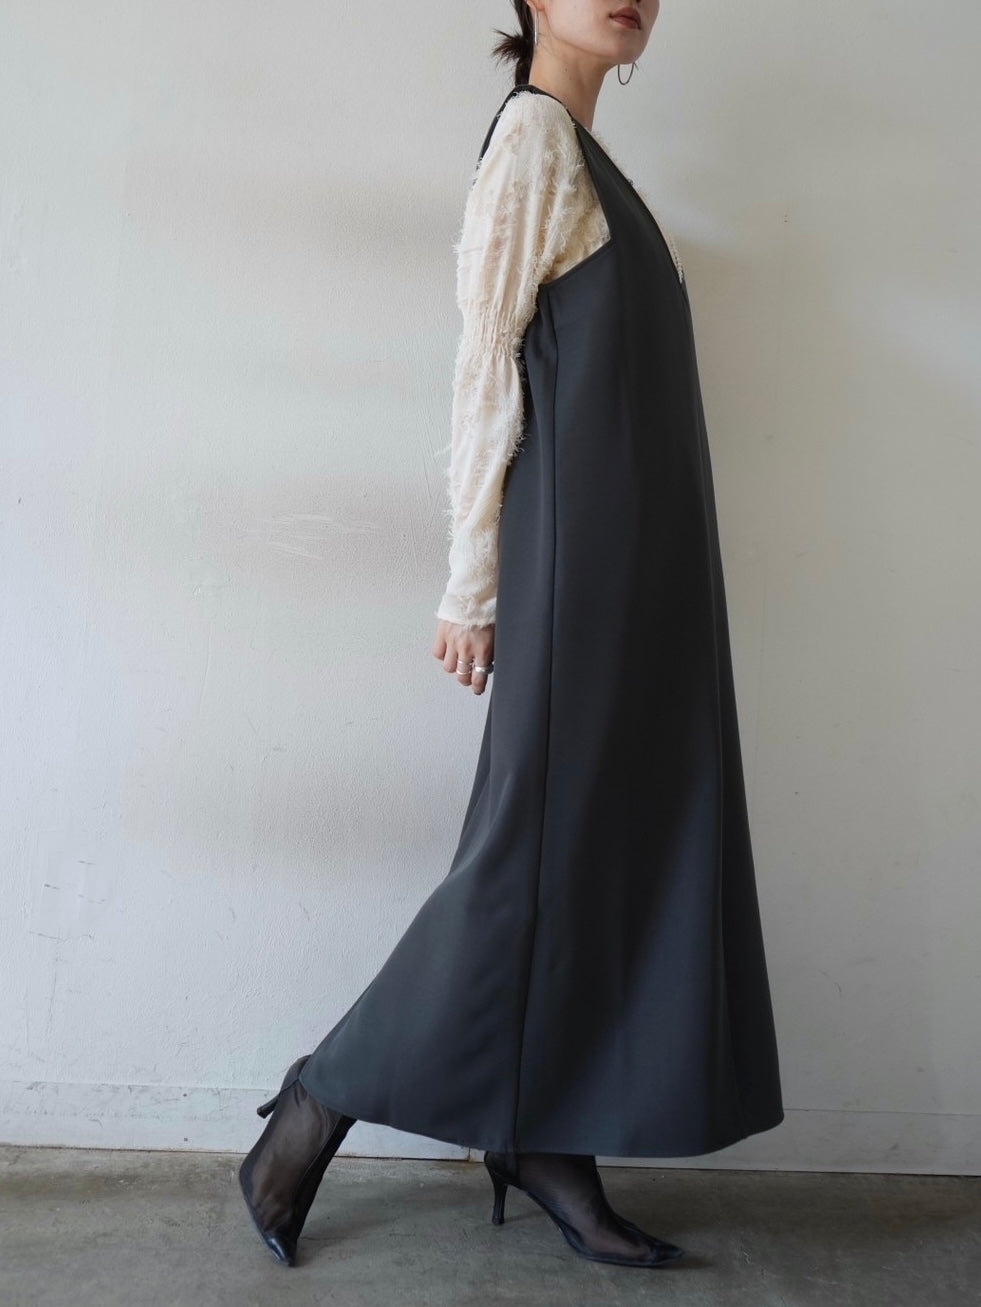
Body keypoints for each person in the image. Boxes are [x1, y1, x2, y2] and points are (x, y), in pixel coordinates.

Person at [238, 0, 784, 1271]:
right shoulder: (534, 141)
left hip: (645, 575)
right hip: (577, 571)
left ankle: (545, 1140)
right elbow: (485, 371)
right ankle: (321, 1092)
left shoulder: (592, 161)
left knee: (605, 854)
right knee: (526, 860)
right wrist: (471, 588)